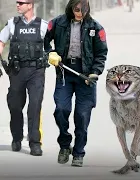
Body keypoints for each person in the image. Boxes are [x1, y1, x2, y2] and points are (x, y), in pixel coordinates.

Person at [44, 0, 108, 167]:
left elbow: (101, 53)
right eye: (77, 9)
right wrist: (51, 53)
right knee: (61, 109)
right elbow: (44, 41)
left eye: (83, 10)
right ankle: (65, 145)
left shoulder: (96, 28)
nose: (80, 13)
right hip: (65, 71)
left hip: (86, 75)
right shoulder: (57, 23)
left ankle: (79, 152)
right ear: (71, 7)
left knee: (82, 116)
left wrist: (95, 71)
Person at [0, 0, 48, 156]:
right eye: (17, 2)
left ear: (30, 5)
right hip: (16, 71)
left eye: (21, 2)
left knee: (34, 106)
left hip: (36, 71)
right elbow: (1, 42)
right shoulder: (12, 24)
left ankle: (35, 143)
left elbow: (52, 46)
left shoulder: (43, 25)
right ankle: (17, 137)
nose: (18, 5)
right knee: (15, 106)